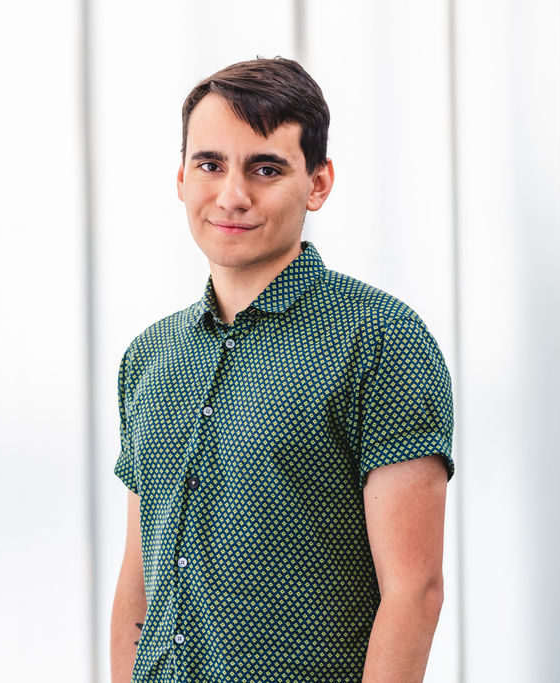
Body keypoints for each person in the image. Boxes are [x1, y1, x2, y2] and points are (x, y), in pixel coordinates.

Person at [109, 57, 454, 683]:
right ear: (181, 177)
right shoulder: (148, 356)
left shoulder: (381, 340)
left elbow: (416, 592)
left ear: (318, 184)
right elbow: (140, 579)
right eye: (210, 164)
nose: (232, 195)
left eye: (266, 168)